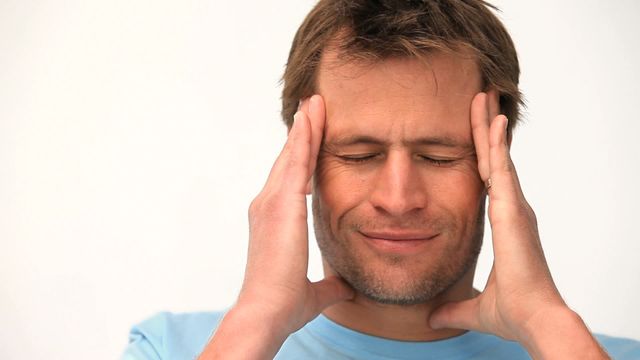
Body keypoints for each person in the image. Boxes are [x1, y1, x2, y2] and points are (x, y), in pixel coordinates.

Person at [122, 0, 640, 359]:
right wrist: (256, 324)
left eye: (439, 156)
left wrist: (548, 326)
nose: (399, 199)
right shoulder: (169, 348)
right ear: (297, 157)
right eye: (359, 154)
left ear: (495, 161)